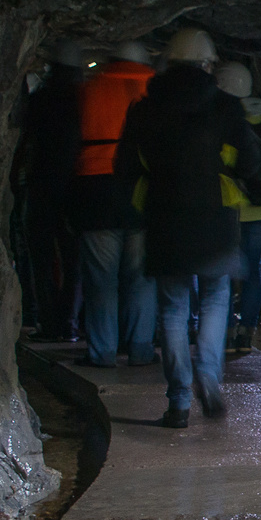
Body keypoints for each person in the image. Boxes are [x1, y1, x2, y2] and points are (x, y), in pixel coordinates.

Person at [119, 28, 260, 428]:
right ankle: (210, 377)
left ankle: (179, 401)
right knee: (216, 301)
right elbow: (250, 162)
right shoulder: (226, 108)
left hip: (165, 222)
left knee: (173, 308)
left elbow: (124, 167)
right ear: (207, 65)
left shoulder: (144, 110)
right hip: (216, 223)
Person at [72, 41, 158, 368]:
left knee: (101, 278)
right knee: (141, 276)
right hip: (141, 188)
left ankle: (102, 352)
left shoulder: (89, 90)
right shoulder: (155, 91)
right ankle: (140, 349)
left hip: (95, 189)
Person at [214, 61, 261, 356]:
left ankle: (226, 329)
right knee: (254, 269)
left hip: (232, 205)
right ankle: (246, 331)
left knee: (228, 268)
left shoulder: (228, 121)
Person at [18, 41, 86, 340]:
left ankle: (48, 321)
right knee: (75, 260)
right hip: (76, 186)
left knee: (41, 257)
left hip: (42, 184)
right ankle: (70, 322)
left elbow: (26, 139)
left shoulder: (41, 99)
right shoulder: (83, 99)